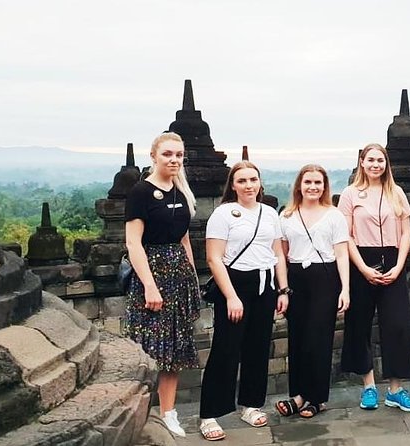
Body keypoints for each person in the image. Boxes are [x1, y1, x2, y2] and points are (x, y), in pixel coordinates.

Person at [199, 161, 289, 441]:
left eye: (253, 180)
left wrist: (283, 290)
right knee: (226, 349)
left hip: (265, 284)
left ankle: (250, 404)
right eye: (242, 181)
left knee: (258, 348)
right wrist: (231, 297)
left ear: (260, 183)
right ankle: (210, 413)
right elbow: (214, 258)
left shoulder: (270, 213)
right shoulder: (223, 214)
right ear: (233, 185)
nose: (249, 185)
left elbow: (278, 254)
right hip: (235, 284)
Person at [124, 132, 200, 437]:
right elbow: (133, 243)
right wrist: (150, 287)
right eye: (168, 154)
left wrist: (192, 275)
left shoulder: (181, 193)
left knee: (176, 349)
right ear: (154, 156)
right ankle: (139, 414)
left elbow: (183, 239)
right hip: (151, 273)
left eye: (179, 155)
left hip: (179, 274)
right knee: (148, 348)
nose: (174, 160)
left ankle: (169, 412)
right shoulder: (141, 192)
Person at [338, 143, 410, 412]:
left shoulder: (396, 193)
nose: (375, 165)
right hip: (362, 260)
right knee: (360, 325)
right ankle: (369, 385)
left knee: (396, 325)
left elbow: (406, 232)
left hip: (393, 261)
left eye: (380, 160)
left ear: (386, 164)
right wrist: (362, 267)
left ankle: (395, 388)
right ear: (362, 162)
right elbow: (345, 235)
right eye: (370, 160)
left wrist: (399, 265)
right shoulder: (351, 194)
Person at [275, 164, 350, 419]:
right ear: (299, 185)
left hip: (325, 277)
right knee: (297, 338)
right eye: (308, 182)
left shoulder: (334, 215)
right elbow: (281, 256)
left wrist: (345, 289)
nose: (313, 187)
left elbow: (342, 254)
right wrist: (283, 289)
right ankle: (298, 394)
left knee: (318, 338)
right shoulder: (286, 216)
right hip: (296, 277)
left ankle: (316, 398)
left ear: (325, 186)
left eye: (318, 183)